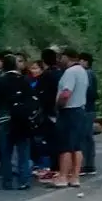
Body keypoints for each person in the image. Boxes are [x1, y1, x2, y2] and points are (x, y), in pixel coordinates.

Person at [0, 54, 35, 190]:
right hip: (22, 119)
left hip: (5, 118)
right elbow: (31, 100)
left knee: (6, 152)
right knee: (23, 151)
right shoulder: (24, 81)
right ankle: (24, 180)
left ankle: (7, 180)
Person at [52, 48, 89, 188]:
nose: (59, 60)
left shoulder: (70, 72)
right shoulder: (82, 71)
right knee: (77, 146)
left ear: (67, 57)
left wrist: (58, 105)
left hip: (68, 110)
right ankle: (75, 176)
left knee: (65, 146)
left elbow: (66, 92)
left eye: (61, 57)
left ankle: (63, 176)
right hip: (80, 109)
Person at [37, 48, 63, 179]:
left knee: (50, 141)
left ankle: (54, 168)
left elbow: (40, 94)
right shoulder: (61, 73)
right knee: (60, 140)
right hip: (61, 109)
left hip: (49, 112)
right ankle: (61, 167)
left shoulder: (46, 75)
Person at [80, 52, 98, 176]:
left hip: (86, 108)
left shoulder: (87, 74)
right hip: (90, 108)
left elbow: (89, 92)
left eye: (82, 60)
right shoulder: (90, 74)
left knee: (85, 136)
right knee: (87, 136)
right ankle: (88, 163)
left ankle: (87, 164)